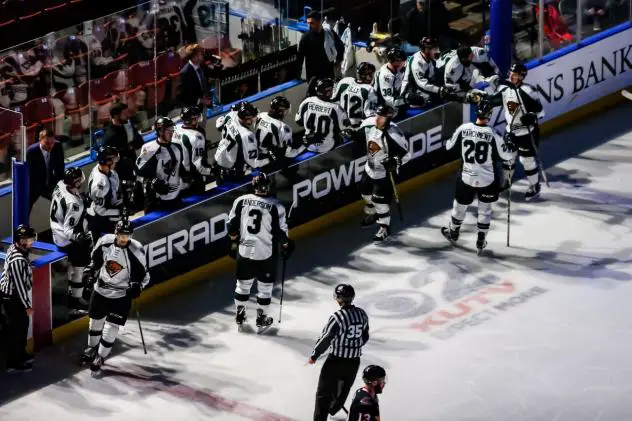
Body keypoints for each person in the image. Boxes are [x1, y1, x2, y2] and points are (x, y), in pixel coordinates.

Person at [441, 101, 516, 254]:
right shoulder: (493, 134)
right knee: (485, 210)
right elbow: (507, 156)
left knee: (459, 206)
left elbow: (448, 146)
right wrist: (510, 145)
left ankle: (454, 232)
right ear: (489, 115)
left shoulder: (464, 129)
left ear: (477, 113)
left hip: (466, 177)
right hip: (487, 180)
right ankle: (481, 240)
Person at [79, 219, 149, 374]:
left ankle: (101, 356)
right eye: (121, 234)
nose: (124, 238)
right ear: (116, 233)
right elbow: (94, 262)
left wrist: (138, 287)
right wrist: (89, 274)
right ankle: (91, 349)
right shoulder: (104, 242)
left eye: (128, 235)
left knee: (111, 327)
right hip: (101, 290)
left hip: (121, 295)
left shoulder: (137, 250)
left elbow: (144, 276)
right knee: (95, 323)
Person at [227, 173, 293, 331]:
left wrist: (234, 242)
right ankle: (261, 318)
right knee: (265, 288)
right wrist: (286, 246)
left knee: (242, 286)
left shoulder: (241, 201)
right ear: (268, 186)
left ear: (253, 185)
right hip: (266, 253)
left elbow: (231, 226)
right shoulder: (276, 205)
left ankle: (240, 314)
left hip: (245, 251)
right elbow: (280, 233)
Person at [309, 283, 369, 421]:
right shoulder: (362, 314)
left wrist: (315, 354)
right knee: (344, 389)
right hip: (353, 362)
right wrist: (355, 347)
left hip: (335, 361)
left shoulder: (338, 317)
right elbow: (365, 335)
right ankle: (334, 408)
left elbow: (326, 337)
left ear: (339, 299)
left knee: (323, 394)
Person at [486, 63, 545, 200]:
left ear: (522, 76)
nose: (512, 76)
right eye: (511, 73)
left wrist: (532, 117)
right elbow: (495, 100)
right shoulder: (505, 88)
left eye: (516, 74)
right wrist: (486, 100)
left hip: (526, 132)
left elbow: (541, 111)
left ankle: (535, 186)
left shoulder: (528, 91)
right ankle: (506, 182)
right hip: (511, 131)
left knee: (527, 160)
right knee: (508, 159)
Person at [358, 105, 410, 241]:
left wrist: (395, 162)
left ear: (388, 118)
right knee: (364, 193)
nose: (377, 119)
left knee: (379, 201)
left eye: (381, 117)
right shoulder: (369, 123)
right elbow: (358, 133)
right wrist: (351, 133)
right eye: (377, 115)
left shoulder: (394, 133)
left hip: (384, 174)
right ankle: (375, 213)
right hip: (369, 168)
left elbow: (407, 154)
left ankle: (384, 227)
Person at [50, 167, 93, 314]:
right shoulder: (74, 205)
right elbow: (69, 231)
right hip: (65, 238)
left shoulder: (60, 184)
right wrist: (81, 238)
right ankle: (75, 301)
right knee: (80, 265)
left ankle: (72, 290)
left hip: (56, 230)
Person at [0, 224, 37, 372]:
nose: (31, 242)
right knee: (17, 330)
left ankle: (20, 355)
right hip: (13, 299)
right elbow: (20, 286)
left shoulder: (16, 250)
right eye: (28, 239)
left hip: (15, 298)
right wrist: (27, 306)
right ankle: (14, 363)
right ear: (20, 241)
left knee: (21, 328)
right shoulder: (17, 260)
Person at [136, 117, 187, 212]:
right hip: (157, 201)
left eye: (172, 129)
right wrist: (153, 181)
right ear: (160, 131)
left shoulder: (177, 144)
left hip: (176, 196)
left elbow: (179, 165)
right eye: (168, 130)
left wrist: (185, 174)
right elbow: (138, 172)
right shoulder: (149, 149)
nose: (171, 132)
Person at [295, 78, 351, 154]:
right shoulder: (336, 108)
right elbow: (345, 129)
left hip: (309, 144)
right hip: (327, 146)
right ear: (328, 92)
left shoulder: (307, 101)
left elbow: (298, 121)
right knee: (345, 134)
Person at [296, 11, 345, 93]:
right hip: (313, 77)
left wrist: (339, 60)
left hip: (328, 74)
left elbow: (340, 45)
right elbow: (300, 57)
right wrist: (298, 74)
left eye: (312, 23)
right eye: (308, 23)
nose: (309, 25)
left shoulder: (329, 33)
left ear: (319, 21)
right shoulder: (306, 38)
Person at [401, 37, 455, 107]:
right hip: (411, 89)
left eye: (436, 48)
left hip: (423, 85)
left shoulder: (430, 58)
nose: (437, 51)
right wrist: (440, 90)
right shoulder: (417, 62)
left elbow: (435, 75)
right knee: (422, 99)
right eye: (434, 49)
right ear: (426, 50)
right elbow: (421, 84)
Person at [255, 96, 305, 170]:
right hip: (272, 162)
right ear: (281, 111)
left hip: (259, 156)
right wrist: (304, 145)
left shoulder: (260, 115)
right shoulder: (284, 128)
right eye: (285, 110)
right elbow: (289, 154)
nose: (286, 113)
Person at [214, 102, 260, 182]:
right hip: (233, 165)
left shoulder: (230, 115)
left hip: (220, 156)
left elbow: (218, 126)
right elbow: (252, 160)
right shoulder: (246, 134)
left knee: (221, 184)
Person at [172, 106, 212, 196]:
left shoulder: (176, 128)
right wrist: (211, 171)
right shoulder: (196, 137)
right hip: (191, 176)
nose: (198, 119)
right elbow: (198, 164)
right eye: (196, 117)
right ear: (190, 119)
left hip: (177, 174)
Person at [87, 145, 123, 238]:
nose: (115, 161)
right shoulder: (100, 184)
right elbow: (100, 211)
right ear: (106, 161)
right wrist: (119, 212)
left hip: (108, 208)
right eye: (113, 159)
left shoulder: (105, 170)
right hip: (99, 219)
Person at [103, 102, 144, 183]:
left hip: (133, 164)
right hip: (121, 173)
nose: (128, 115)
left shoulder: (127, 124)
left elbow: (140, 141)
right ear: (116, 115)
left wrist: (130, 146)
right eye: (124, 113)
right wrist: (129, 145)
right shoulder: (110, 135)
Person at [25, 128, 65, 212]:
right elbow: (28, 173)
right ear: (40, 140)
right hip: (34, 185)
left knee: (64, 202)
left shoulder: (57, 147)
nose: (50, 146)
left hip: (51, 183)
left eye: (52, 143)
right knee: (25, 208)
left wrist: (61, 186)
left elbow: (60, 168)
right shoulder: (31, 152)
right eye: (47, 143)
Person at [332, 62, 378, 128]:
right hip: (356, 128)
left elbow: (333, 100)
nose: (372, 77)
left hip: (340, 125)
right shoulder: (368, 89)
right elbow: (370, 115)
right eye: (370, 74)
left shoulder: (344, 81)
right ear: (363, 75)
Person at [177, 44, 212, 110]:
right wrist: (201, 100)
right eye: (200, 54)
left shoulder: (202, 65)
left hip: (206, 103)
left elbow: (210, 75)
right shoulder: (185, 73)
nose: (202, 55)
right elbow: (186, 94)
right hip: (193, 107)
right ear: (194, 57)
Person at [374, 47, 407, 112]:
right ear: (395, 62)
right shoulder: (386, 76)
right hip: (384, 105)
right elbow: (388, 99)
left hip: (395, 96)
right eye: (402, 61)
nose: (404, 63)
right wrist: (407, 100)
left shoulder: (395, 68)